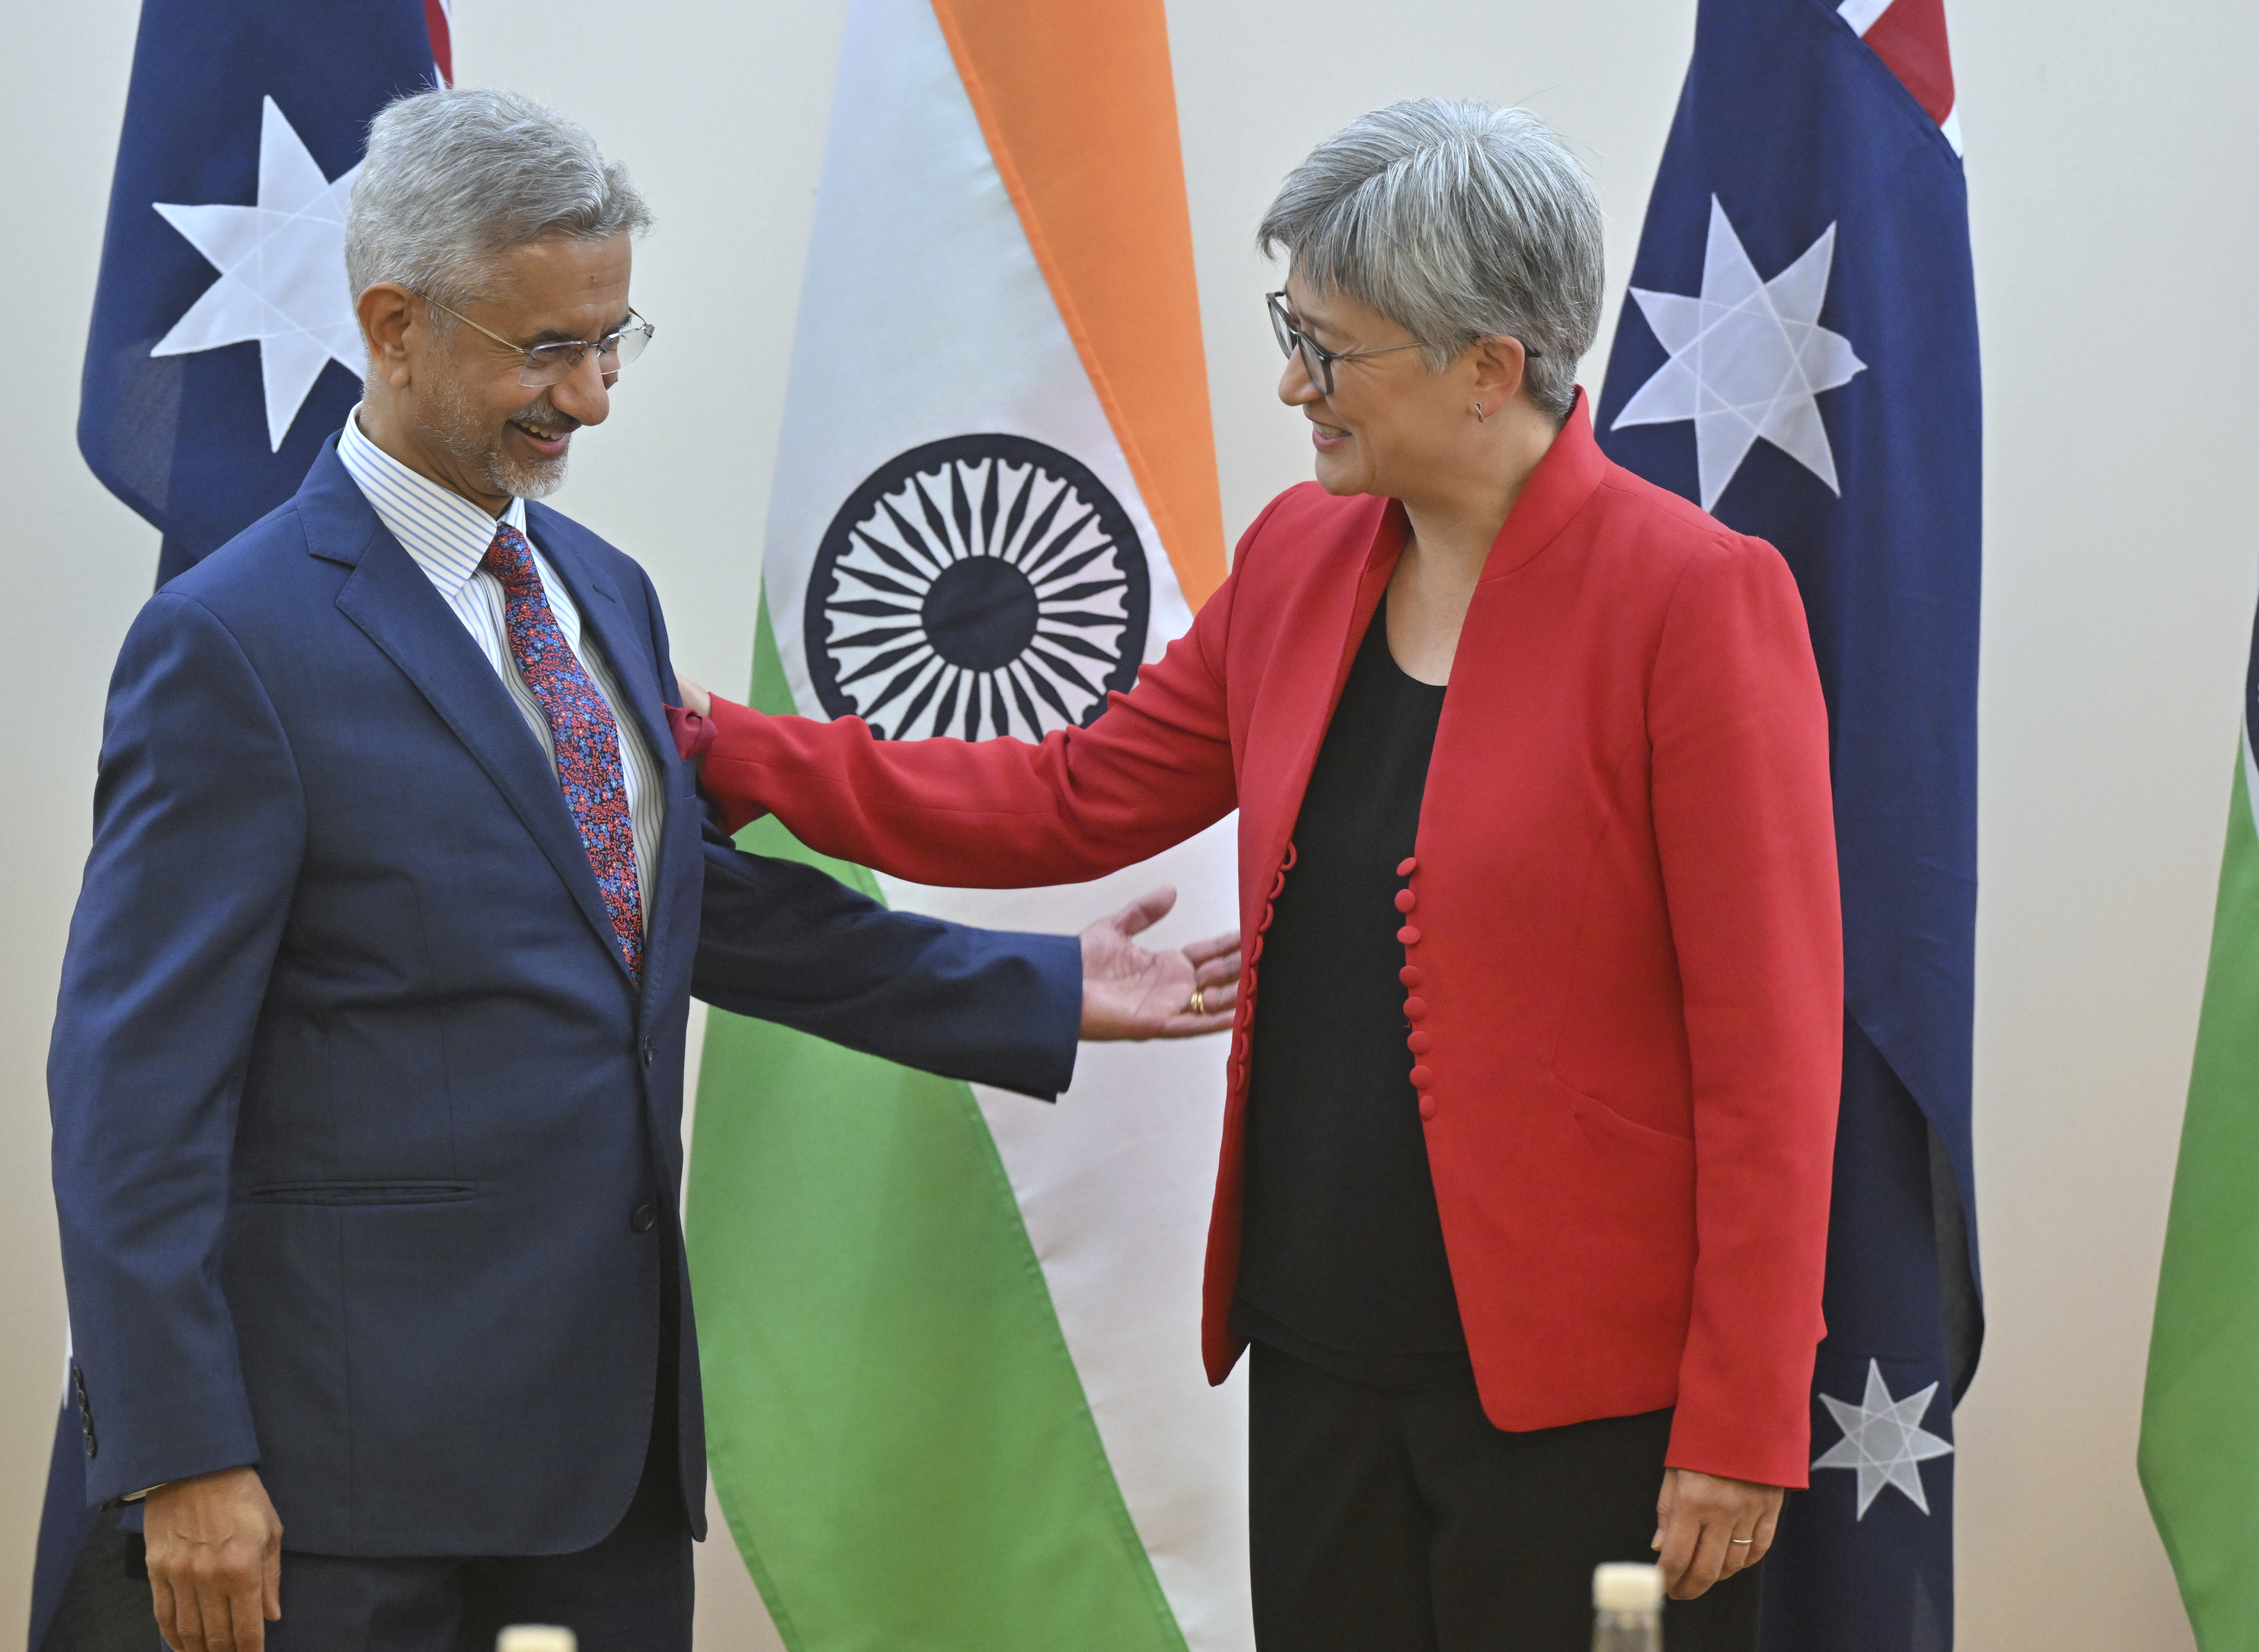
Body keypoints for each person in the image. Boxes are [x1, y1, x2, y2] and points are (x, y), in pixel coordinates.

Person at [47, 86, 1238, 1652]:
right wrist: (186, 1453)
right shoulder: (233, 644)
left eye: (615, 341)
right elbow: (131, 1085)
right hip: (340, 1482)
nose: (594, 398)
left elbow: (669, 906)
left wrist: (1037, 982)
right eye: (548, 349)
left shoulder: (596, 588)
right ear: (394, 325)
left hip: (600, 1461)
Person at [679, 99, 1843, 1651]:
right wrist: (717, 749)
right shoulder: (1301, 555)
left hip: (1593, 1416)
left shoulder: (1694, 601)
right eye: (1290, 329)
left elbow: (1773, 1053)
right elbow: (1067, 798)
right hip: (1316, 1360)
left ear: (1489, 366)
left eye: (1332, 348)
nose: (1293, 381)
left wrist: (1744, 1416)